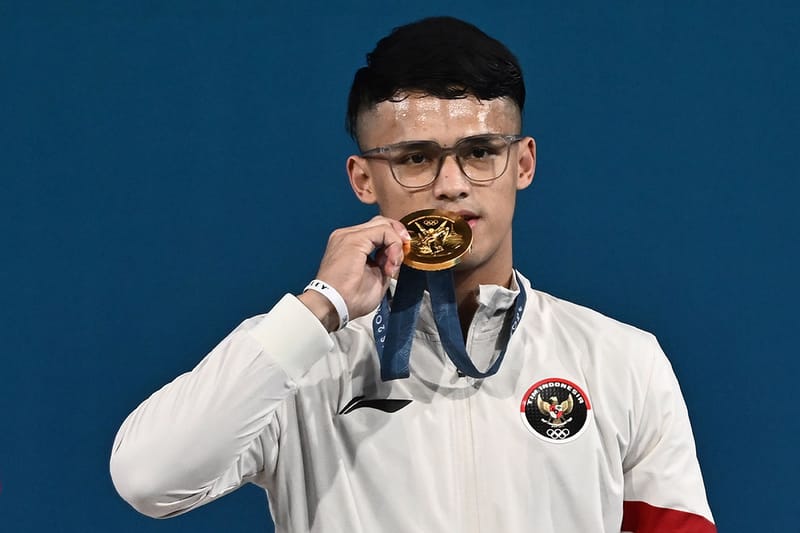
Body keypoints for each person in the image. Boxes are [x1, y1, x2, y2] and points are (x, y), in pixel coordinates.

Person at [110, 16, 716, 532]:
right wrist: (318, 310)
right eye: (416, 158)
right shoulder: (301, 360)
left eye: (480, 151)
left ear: (523, 163)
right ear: (363, 179)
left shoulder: (621, 360)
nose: (451, 185)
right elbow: (148, 479)